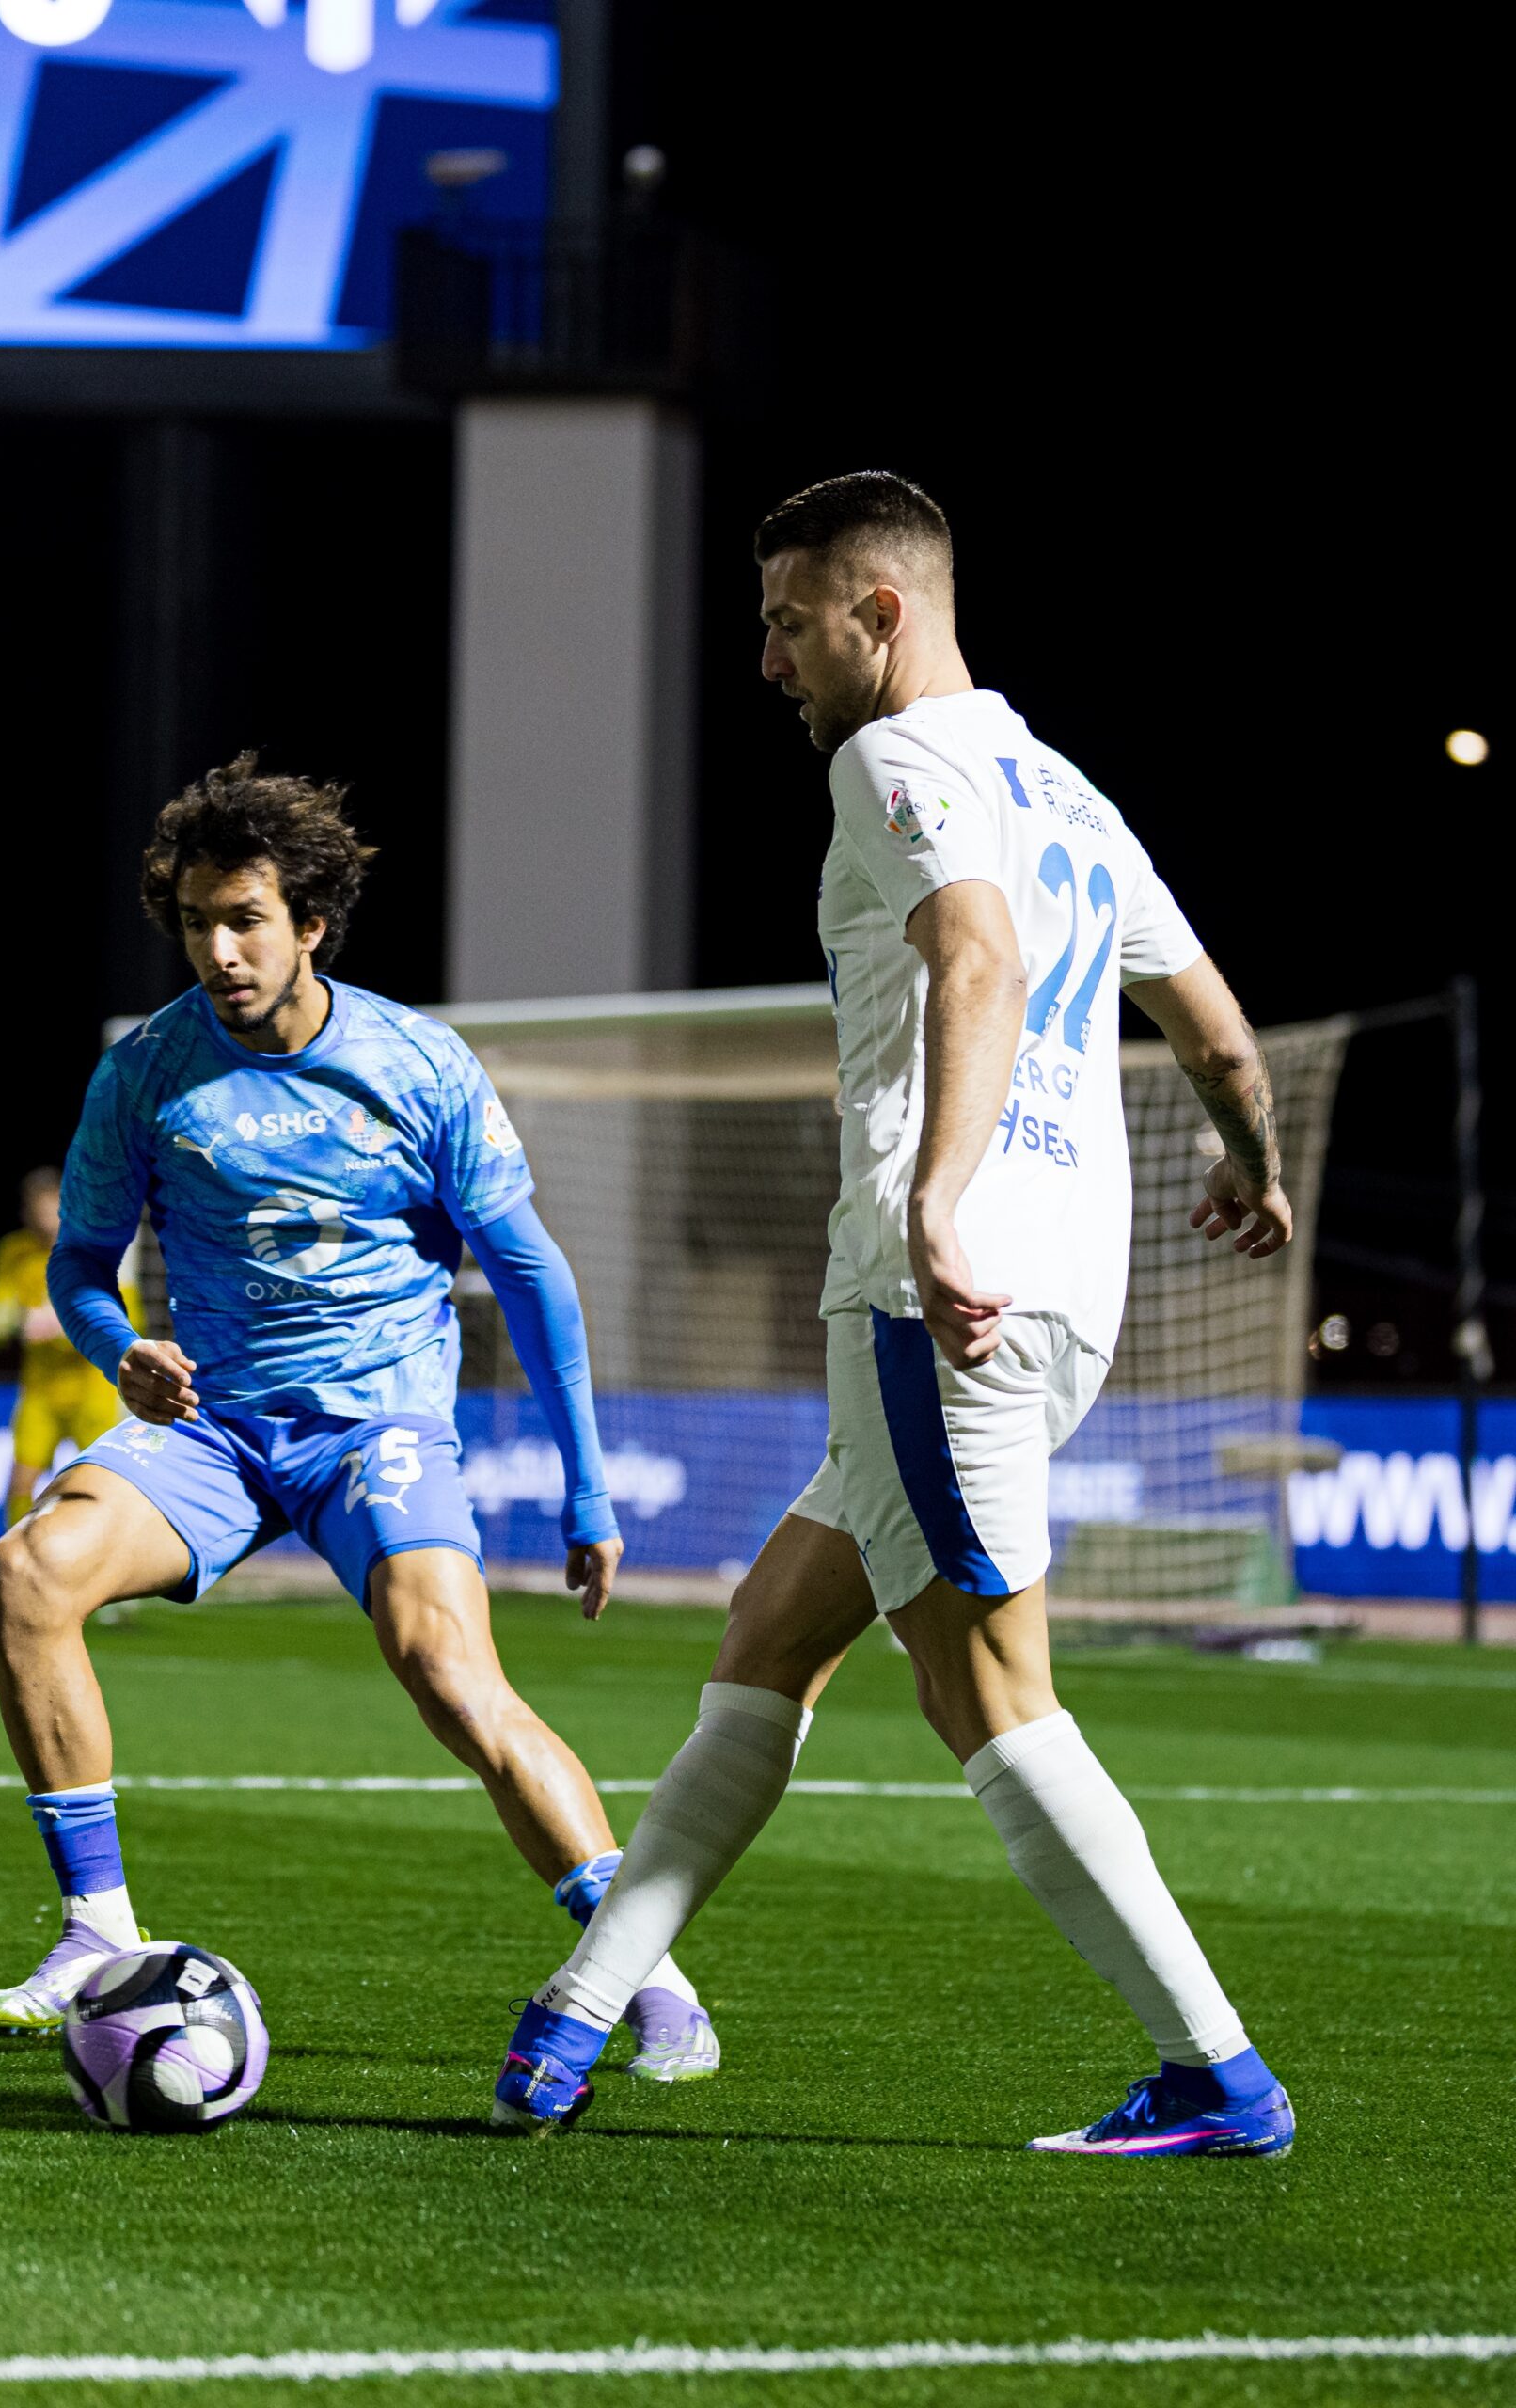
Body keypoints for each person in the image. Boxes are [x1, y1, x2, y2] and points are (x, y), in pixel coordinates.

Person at [494, 471, 1296, 2158]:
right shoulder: (1068, 791)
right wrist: (1252, 1164)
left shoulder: (896, 757)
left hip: (946, 1290)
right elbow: (1219, 1040)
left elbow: (975, 958)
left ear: (879, 612)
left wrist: (934, 1201)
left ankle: (1214, 2074)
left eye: (787, 623)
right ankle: (574, 2016)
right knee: (769, 1644)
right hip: (1065, 1288)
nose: (767, 661)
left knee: (987, 1698)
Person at [0, 755, 716, 2083]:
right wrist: (118, 1346)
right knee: (30, 1572)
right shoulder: (147, 1073)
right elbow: (84, 1265)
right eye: (198, 920)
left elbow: (534, 1275)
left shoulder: (418, 1063)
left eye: (245, 918)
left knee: (450, 1674)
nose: (219, 947)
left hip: (379, 1430)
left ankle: (645, 1978)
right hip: (216, 1428)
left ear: (310, 922)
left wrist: (586, 1490)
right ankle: (95, 1933)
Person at [0, 1168, 135, 1523]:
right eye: (37, 1209)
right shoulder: (13, 1251)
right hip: (40, 1389)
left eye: (52, 1207)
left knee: (104, 1484)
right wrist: (6, 1320)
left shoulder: (95, 1249)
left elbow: (127, 1319)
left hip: (95, 1388)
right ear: (26, 1212)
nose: (45, 1218)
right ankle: (18, 1556)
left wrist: (62, 1326)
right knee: (20, 1483)